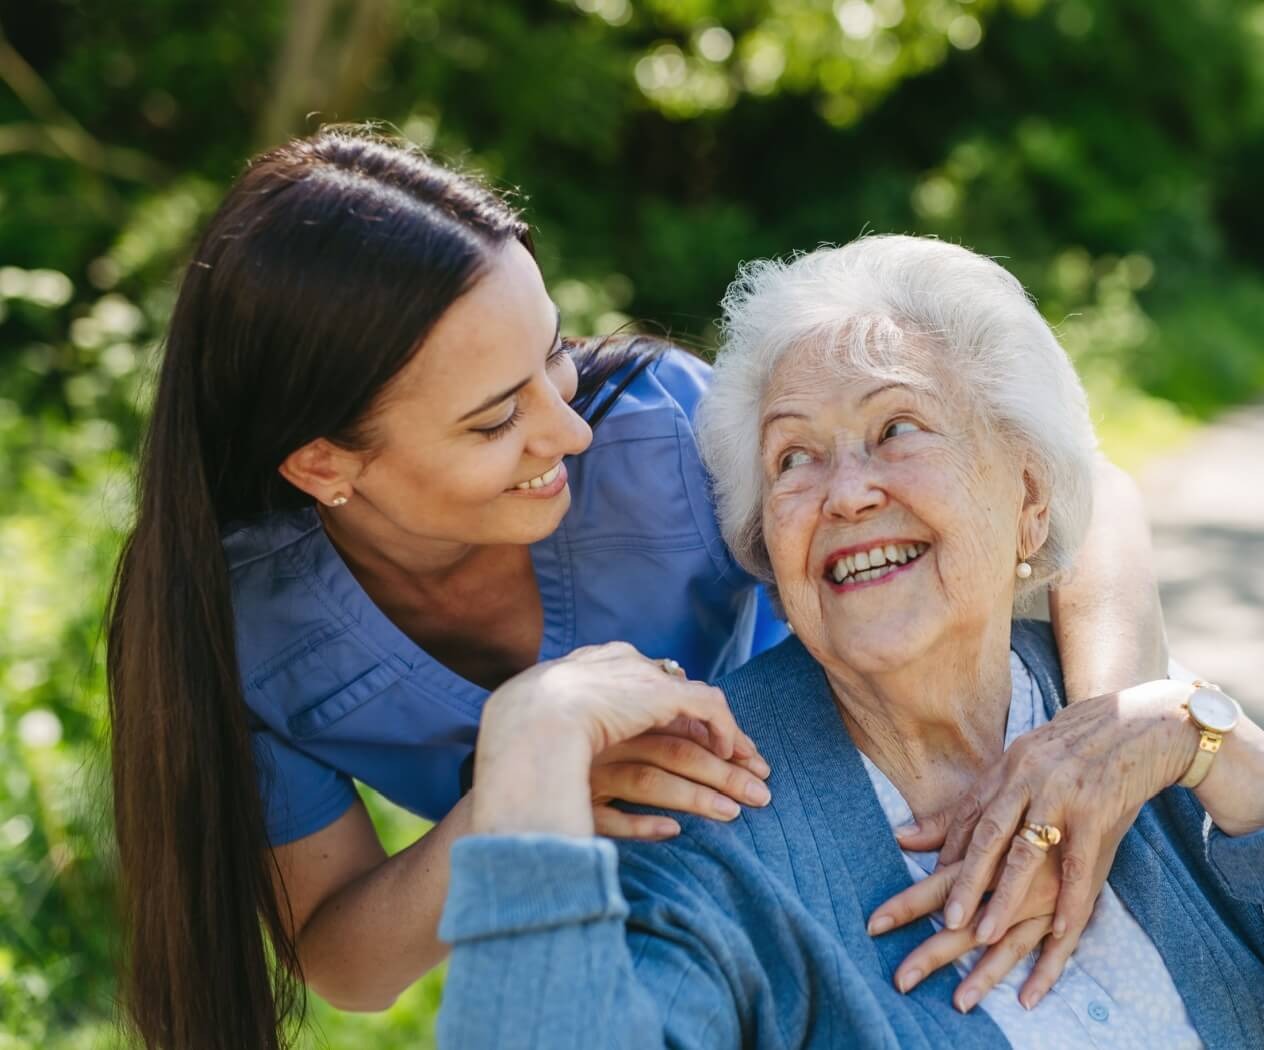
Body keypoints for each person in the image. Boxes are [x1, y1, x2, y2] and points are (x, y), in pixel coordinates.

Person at [104, 132, 1166, 1050]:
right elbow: (348, 963)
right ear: (326, 466)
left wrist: (1097, 739)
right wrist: (524, 790)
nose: (566, 431)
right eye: (491, 420)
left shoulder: (654, 433)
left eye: (551, 357)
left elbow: (1084, 491)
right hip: (614, 956)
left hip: (868, 868)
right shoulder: (244, 627)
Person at [435, 234, 1264, 1049]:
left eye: (897, 429)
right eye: (793, 459)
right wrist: (529, 744)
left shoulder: (1138, 735)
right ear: (766, 548)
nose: (846, 490)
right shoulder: (720, 823)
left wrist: (1215, 741)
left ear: (1027, 496)